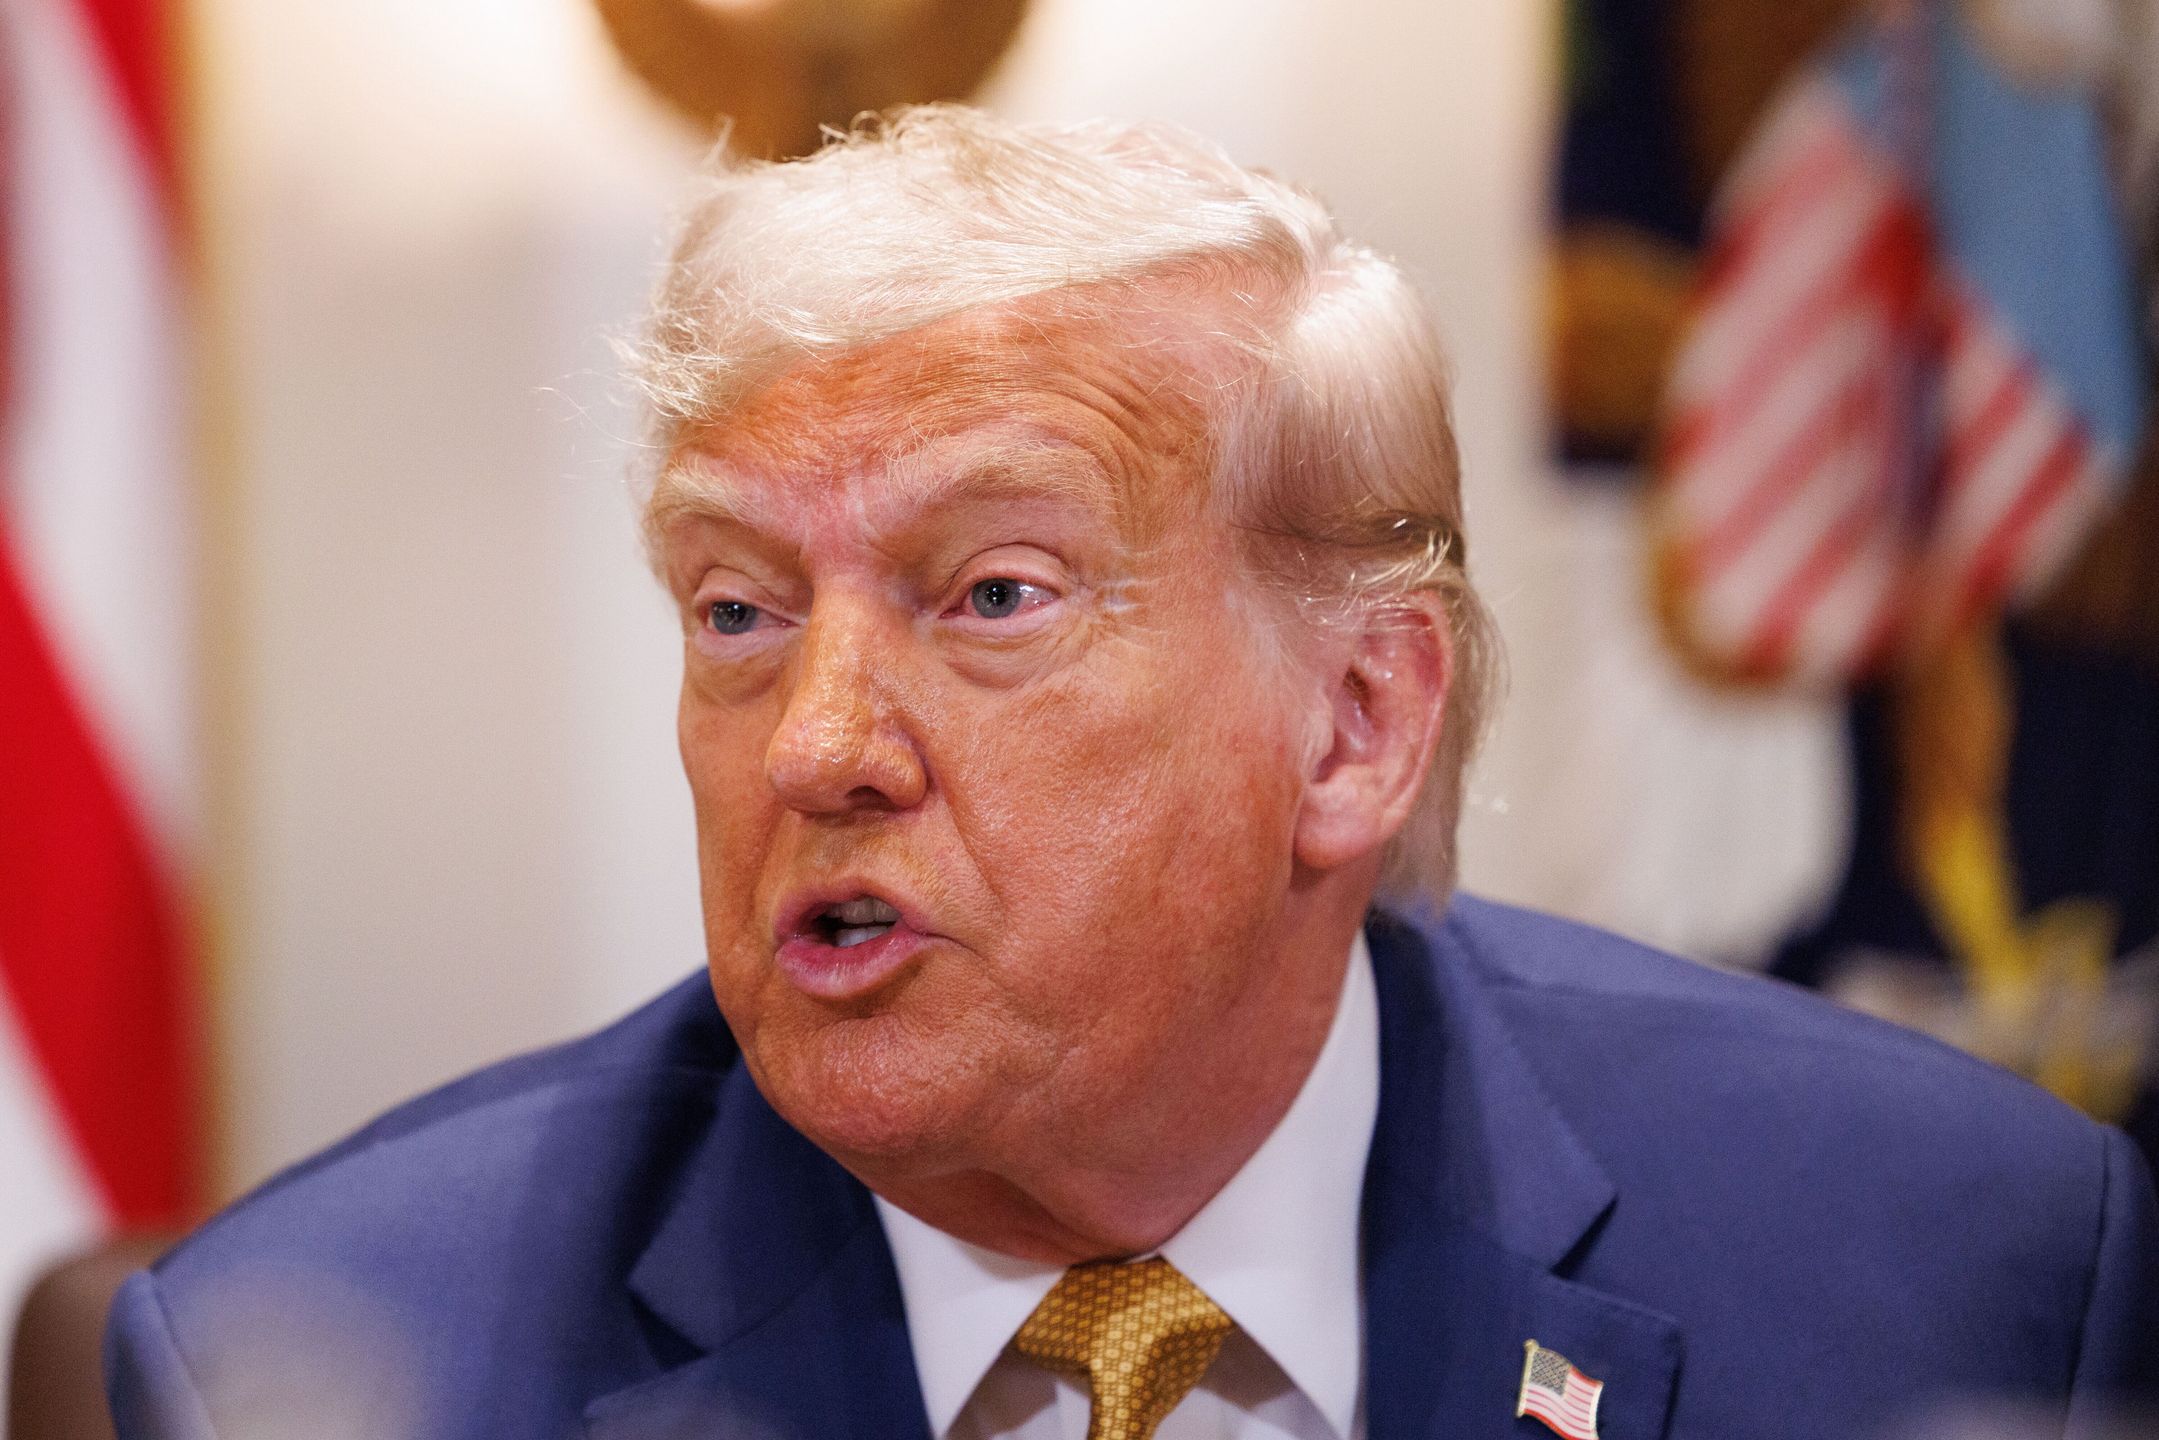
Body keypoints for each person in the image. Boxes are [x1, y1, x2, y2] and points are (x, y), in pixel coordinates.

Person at [106, 107, 2154, 1440]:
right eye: (736, 611)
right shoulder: (327, 1360)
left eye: (989, 594)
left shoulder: (1954, 1276)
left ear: (1358, 722)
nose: (813, 745)